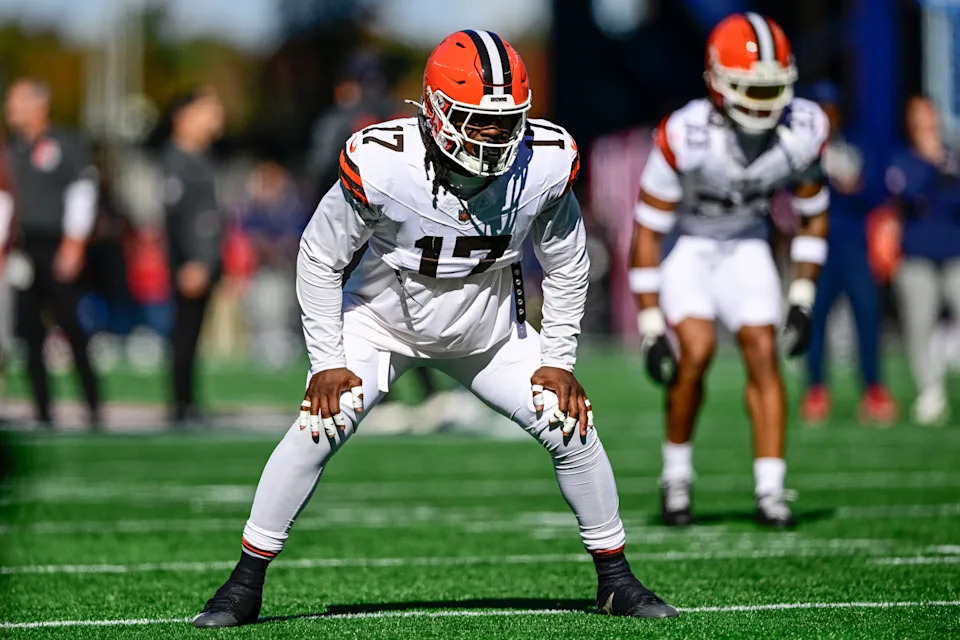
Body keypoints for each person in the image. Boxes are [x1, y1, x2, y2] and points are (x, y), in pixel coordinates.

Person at [192, 30, 677, 628]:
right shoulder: (384, 163)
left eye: (508, 123)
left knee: (569, 422)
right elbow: (318, 257)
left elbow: (568, 261)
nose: (496, 137)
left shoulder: (544, 162)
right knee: (319, 426)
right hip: (380, 323)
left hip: (487, 332)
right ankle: (243, 584)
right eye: (479, 121)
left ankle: (616, 579)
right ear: (439, 112)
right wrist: (326, 363)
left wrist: (560, 358)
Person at [629, 14, 830, 528]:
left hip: (746, 244)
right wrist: (650, 326)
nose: (762, 103)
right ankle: (676, 476)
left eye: (771, 89)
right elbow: (648, 231)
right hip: (689, 245)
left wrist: (802, 295)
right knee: (695, 352)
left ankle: (770, 488)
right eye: (748, 88)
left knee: (764, 352)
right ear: (717, 82)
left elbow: (813, 212)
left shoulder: (804, 129)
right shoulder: (686, 133)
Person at [3, 79, 101, 429]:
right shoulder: (13, 148)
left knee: (71, 325)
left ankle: (92, 403)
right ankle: (42, 408)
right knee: (28, 330)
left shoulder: (63, 144)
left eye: (16, 101)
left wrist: (73, 243)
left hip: (56, 243)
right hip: (23, 247)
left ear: (38, 104)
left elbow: (82, 192)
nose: (9, 109)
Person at [800, 82, 896, 426]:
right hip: (816, 246)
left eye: (831, 108)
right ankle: (815, 390)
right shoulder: (801, 146)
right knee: (814, 319)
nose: (827, 115)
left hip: (854, 245)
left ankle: (873, 389)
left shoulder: (856, 143)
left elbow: (876, 192)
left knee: (866, 318)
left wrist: (854, 182)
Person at [885, 96, 960, 426]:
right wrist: (932, 167)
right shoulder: (902, 157)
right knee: (919, 325)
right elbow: (909, 195)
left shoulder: (953, 156)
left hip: (954, 250)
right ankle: (931, 392)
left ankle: (947, 358)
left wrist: (941, 170)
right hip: (916, 253)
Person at [161, 87, 225, 424]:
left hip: (204, 260)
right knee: (184, 332)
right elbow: (178, 216)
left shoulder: (202, 157)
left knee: (194, 333)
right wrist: (192, 260)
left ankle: (187, 400)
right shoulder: (179, 158)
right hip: (191, 262)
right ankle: (181, 403)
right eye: (207, 109)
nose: (216, 117)